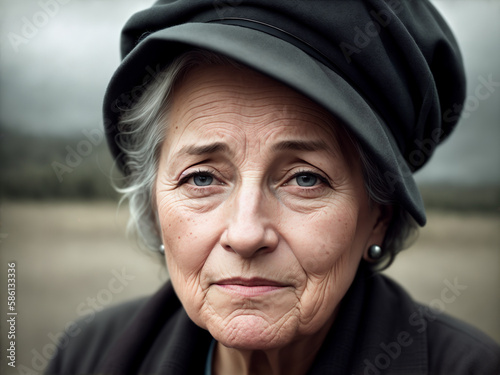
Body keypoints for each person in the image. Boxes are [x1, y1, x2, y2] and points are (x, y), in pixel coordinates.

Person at [47, 1, 500, 374]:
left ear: (378, 218)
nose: (245, 234)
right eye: (201, 177)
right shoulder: (85, 357)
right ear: (153, 201)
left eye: (306, 178)